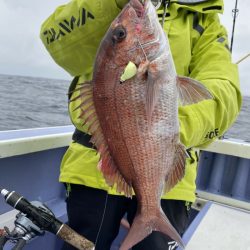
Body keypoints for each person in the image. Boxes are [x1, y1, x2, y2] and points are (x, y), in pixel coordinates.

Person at [40, 0, 242, 249]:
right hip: (90, 169)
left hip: (168, 179)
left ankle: (151, 212)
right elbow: (56, 43)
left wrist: (168, 130)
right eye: (122, 34)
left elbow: (224, 93)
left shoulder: (205, 23)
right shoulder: (116, 7)